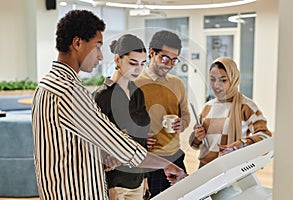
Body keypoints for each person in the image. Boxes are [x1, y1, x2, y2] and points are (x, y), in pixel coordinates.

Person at [31, 10, 185, 200]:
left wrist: (104, 157)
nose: (100, 56)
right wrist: (166, 165)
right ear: (78, 43)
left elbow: (72, 147)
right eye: (97, 47)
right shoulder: (68, 91)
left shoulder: (47, 84)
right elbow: (120, 146)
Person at [189, 57, 272, 198]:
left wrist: (242, 143)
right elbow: (196, 145)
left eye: (223, 79)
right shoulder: (207, 107)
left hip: (232, 171)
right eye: (212, 79)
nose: (216, 85)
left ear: (233, 79)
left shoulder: (246, 106)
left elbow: (266, 137)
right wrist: (196, 137)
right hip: (205, 170)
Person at [93, 34, 150, 200]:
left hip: (138, 180)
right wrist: (110, 186)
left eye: (142, 64)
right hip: (116, 184)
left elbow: (142, 138)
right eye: (133, 63)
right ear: (118, 60)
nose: (138, 69)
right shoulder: (102, 96)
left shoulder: (138, 93)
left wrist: (145, 176)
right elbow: (98, 145)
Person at [135, 30, 190, 197]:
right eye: (165, 58)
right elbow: (124, 125)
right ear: (152, 53)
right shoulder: (135, 83)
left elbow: (186, 116)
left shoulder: (177, 83)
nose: (169, 64)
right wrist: (140, 137)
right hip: (150, 159)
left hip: (176, 155)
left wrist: (182, 123)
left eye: (174, 60)